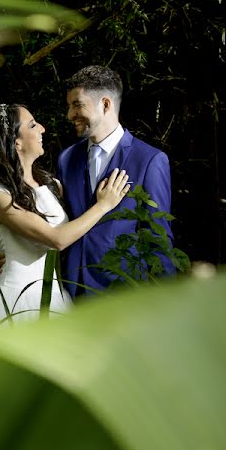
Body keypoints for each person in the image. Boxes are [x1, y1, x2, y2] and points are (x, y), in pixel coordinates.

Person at [0, 103, 130, 329]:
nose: (42, 128)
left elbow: (76, 231)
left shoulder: (51, 185)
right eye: (33, 125)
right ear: (17, 143)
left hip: (56, 295)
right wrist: (104, 205)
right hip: (17, 302)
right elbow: (57, 239)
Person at [59, 65, 175, 296]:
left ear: (105, 104)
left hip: (122, 294)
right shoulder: (67, 158)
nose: (70, 115)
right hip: (69, 291)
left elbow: (159, 239)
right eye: (69, 106)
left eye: (77, 105)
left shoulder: (150, 160)